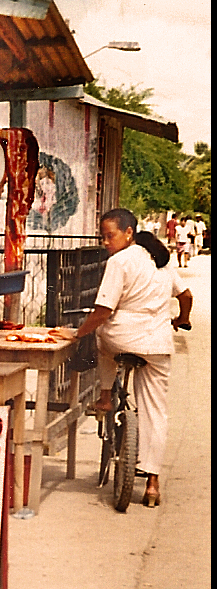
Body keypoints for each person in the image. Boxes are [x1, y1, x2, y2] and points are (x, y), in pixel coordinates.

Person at [70, 208, 192, 507]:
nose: (106, 242)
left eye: (110, 236)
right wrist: (182, 320)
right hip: (158, 342)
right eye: (103, 237)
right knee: (156, 411)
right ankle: (152, 483)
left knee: (103, 340)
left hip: (122, 336)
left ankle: (106, 395)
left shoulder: (119, 261)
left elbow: (102, 312)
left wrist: (77, 333)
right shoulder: (161, 261)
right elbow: (186, 296)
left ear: (128, 233)